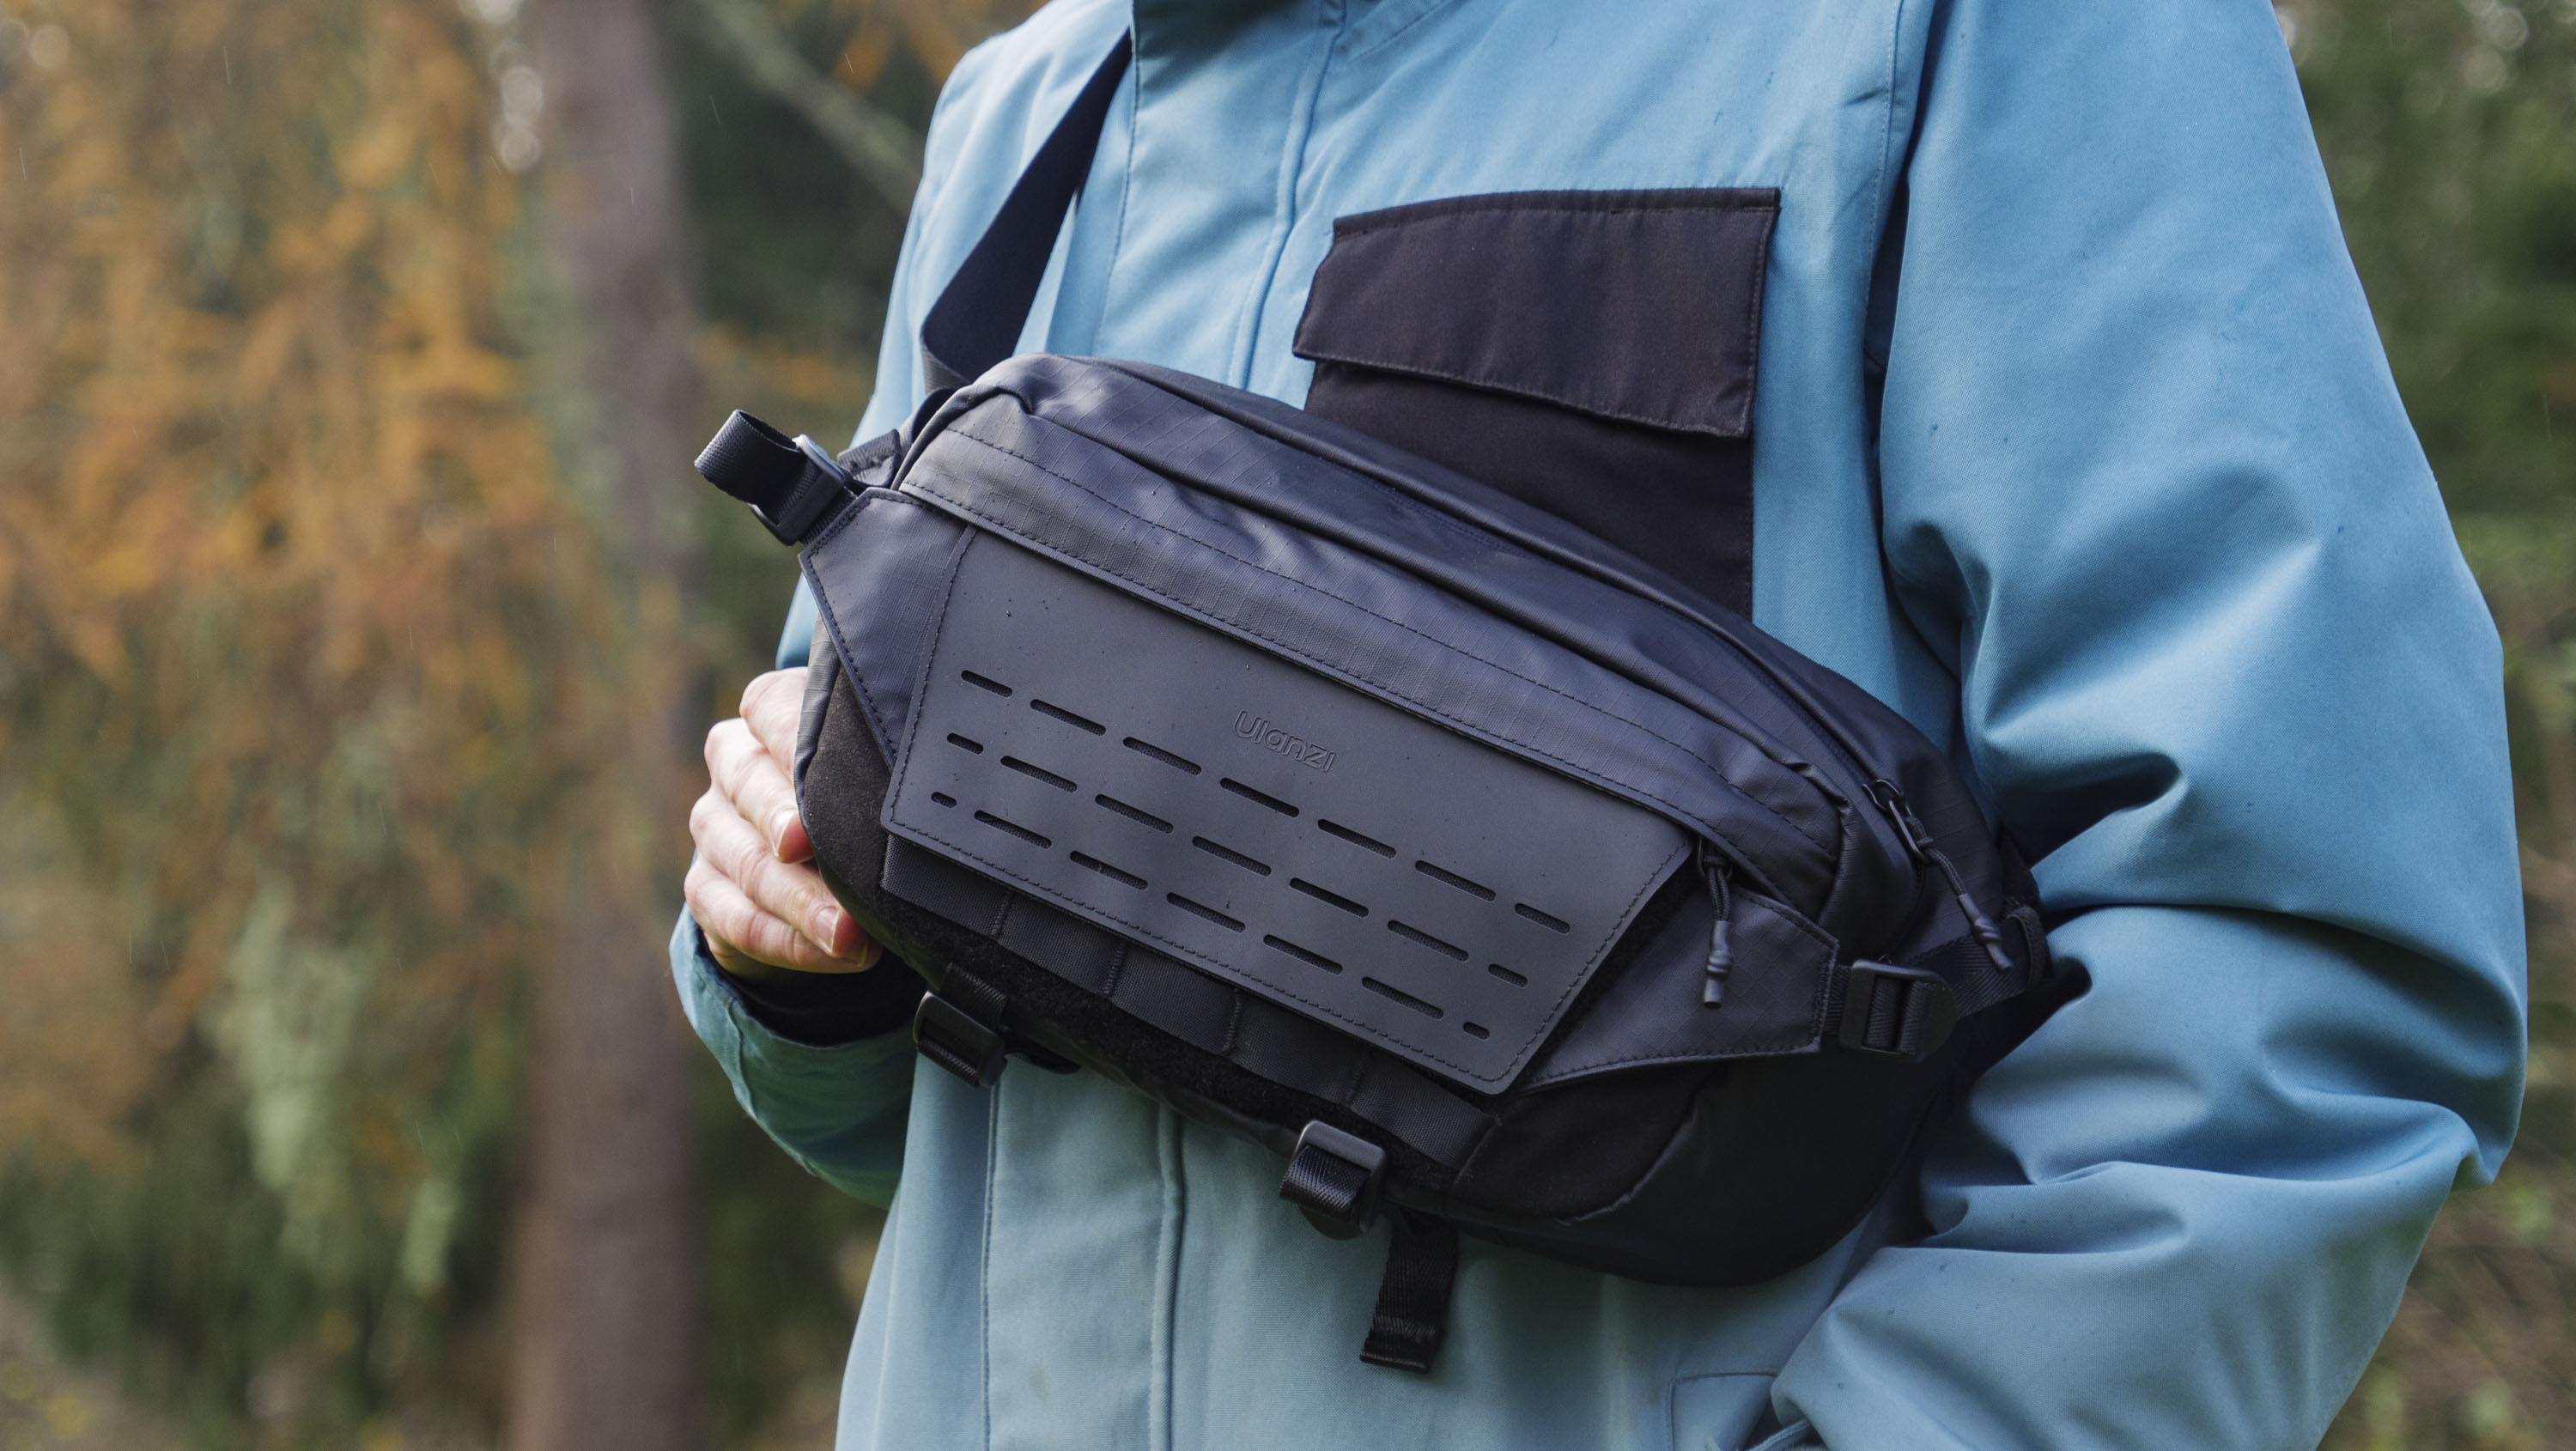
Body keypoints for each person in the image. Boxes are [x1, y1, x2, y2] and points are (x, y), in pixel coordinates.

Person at [674, 0, 2529, 1446]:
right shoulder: (1030, 113)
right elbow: (907, 971)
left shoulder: (1975, 31)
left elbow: (2295, 957)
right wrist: (796, 952)